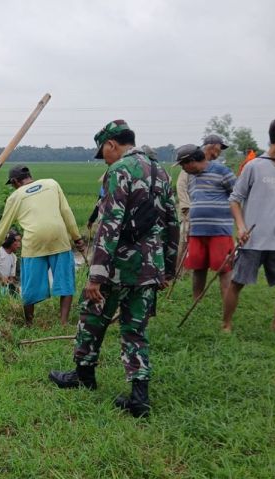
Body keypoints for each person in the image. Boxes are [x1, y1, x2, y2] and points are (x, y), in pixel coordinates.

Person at [49, 120, 178, 418]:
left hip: (118, 267)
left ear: (111, 144)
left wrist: (96, 275)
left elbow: (110, 224)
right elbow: (173, 222)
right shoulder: (160, 171)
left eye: (103, 151)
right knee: (136, 330)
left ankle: (83, 374)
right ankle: (139, 398)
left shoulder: (119, 170)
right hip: (150, 268)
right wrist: (167, 269)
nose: (104, 157)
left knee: (92, 317)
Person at [222, 117, 275, 337]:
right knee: (237, 283)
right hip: (253, 237)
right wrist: (240, 227)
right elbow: (235, 199)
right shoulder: (254, 166)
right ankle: (226, 325)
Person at [0, 165, 86, 326]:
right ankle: (63, 322)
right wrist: (77, 238)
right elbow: (66, 212)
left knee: (30, 286)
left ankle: (29, 323)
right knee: (65, 282)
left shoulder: (15, 196)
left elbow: (3, 227)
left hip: (34, 243)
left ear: (15, 182)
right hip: (59, 238)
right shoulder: (52, 184)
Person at [175, 143, 237, 301]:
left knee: (224, 269)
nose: (182, 168)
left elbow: (237, 196)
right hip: (197, 231)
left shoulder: (222, 171)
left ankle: (226, 307)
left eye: (183, 165)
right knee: (198, 268)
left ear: (190, 161)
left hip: (219, 231)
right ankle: (197, 302)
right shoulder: (192, 177)